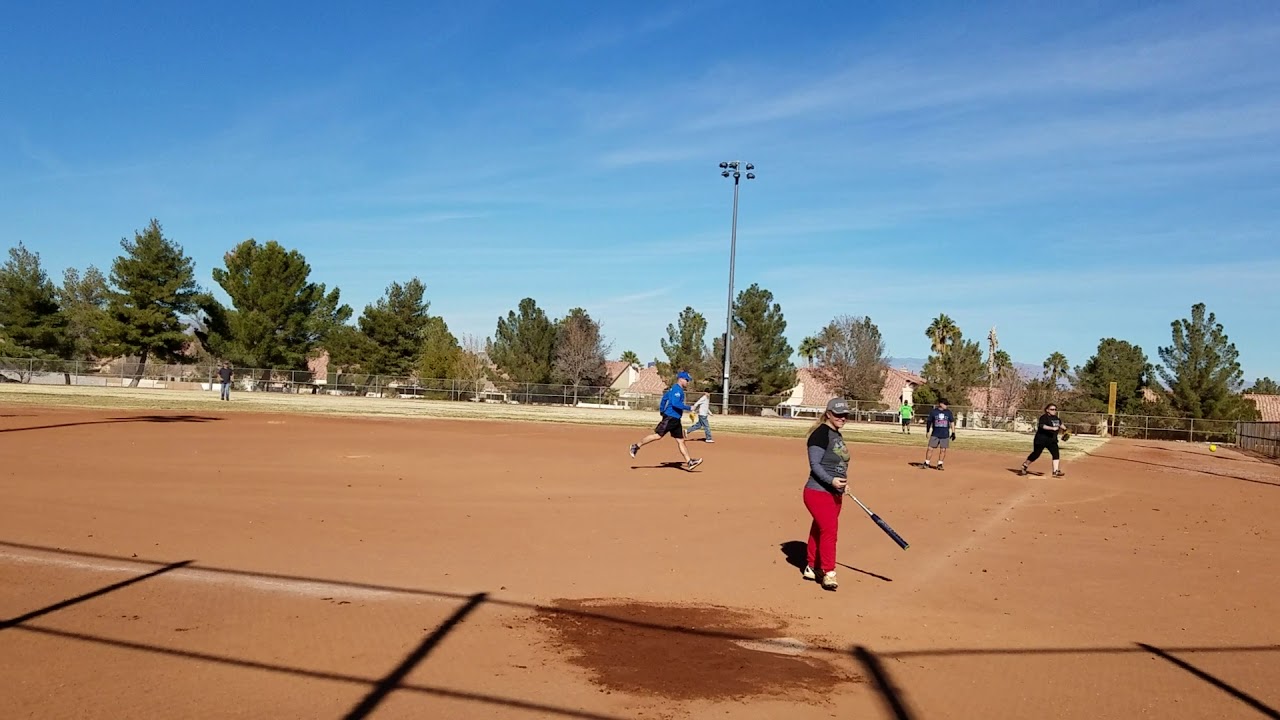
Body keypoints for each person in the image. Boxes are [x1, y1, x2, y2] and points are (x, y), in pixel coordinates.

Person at [801, 397, 851, 591]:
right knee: (830, 531)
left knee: (820, 528)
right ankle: (829, 572)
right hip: (818, 492)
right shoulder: (820, 435)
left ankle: (811, 566)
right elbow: (815, 465)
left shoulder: (836, 434)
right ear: (828, 414)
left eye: (845, 414)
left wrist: (842, 484)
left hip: (834, 492)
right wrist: (831, 481)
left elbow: (835, 464)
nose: (842, 418)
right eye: (838, 414)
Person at [629, 371, 703, 470]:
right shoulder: (677, 390)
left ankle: (689, 462)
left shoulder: (674, 389)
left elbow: (664, 398)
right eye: (686, 380)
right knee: (657, 436)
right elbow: (675, 403)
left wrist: (661, 410)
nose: (687, 382)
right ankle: (636, 446)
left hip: (676, 419)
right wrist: (689, 408)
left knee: (681, 441)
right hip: (670, 418)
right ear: (681, 379)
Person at [1019, 404, 1066, 477]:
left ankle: (1055, 471)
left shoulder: (1056, 418)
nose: (1054, 411)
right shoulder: (1044, 417)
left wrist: (1065, 429)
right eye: (1052, 409)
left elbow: (1060, 424)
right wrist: (1052, 428)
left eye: (1055, 409)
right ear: (1047, 410)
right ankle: (1025, 465)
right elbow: (1042, 426)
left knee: (1056, 453)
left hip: (1052, 440)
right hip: (1041, 439)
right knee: (1036, 454)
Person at [921, 398, 955, 470]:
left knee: (943, 450)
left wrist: (953, 432)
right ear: (941, 404)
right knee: (930, 448)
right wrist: (927, 431)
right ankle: (927, 463)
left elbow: (952, 422)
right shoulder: (934, 412)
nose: (946, 406)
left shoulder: (948, 412)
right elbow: (929, 422)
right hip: (935, 434)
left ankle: (940, 464)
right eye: (945, 404)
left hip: (945, 434)